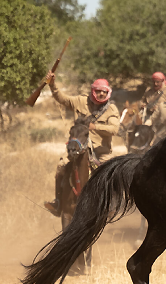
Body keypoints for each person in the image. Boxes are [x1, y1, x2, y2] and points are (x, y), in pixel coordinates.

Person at [44, 73, 120, 216]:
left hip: (100, 152)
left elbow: (114, 129)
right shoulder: (80, 101)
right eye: (99, 91)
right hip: (77, 149)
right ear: (93, 91)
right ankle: (58, 202)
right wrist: (52, 84)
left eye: (104, 91)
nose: (102, 94)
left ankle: (110, 205)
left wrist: (95, 127)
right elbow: (62, 98)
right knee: (61, 167)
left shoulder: (111, 109)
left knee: (111, 173)